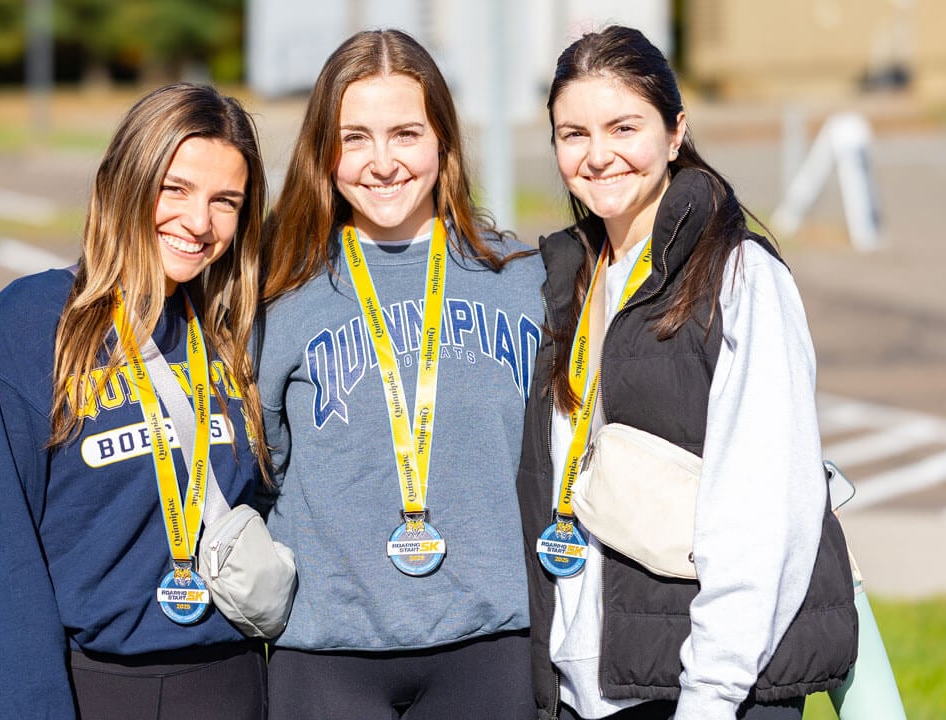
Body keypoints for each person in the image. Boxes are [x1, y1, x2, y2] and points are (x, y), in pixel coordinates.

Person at [516, 26, 858, 720]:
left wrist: (710, 696)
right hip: (588, 690)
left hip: (705, 691)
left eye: (623, 126)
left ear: (676, 133)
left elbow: (766, 503)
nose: (598, 154)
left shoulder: (739, 275)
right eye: (573, 133)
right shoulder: (564, 279)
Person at [0, 83, 270, 720]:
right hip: (96, 689)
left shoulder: (238, 333)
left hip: (235, 685)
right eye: (174, 188)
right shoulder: (30, 326)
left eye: (224, 201)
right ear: (125, 180)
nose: (199, 222)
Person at [255, 28, 543, 720]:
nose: (381, 163)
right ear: (322, 152)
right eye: (354, 138)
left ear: (442, 139)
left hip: (490, 643)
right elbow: (260, 464)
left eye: (405, 134)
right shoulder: (280, 292)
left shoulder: (522, 281)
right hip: (326, 650)